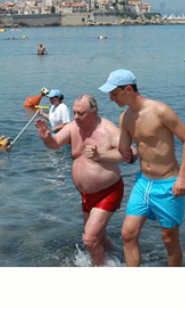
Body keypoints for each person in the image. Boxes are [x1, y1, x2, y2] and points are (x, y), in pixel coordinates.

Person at [99, 69, 185, 267]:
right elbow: (125, 151)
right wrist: (122, 152)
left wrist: (183, 178)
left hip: (169, 184)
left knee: (169, 239)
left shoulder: (160, 111)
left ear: (128, 89)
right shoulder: (125, 117)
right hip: (143, 183)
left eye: (114, 93)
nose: (110, 98)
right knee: (128, 234)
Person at [35, 95, 128, 266]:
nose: (76, 117)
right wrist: (47, 137)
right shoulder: (72, 127)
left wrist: (103, 155)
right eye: (74, 112)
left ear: (94, 112)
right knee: (99, 237)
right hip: (86, 194)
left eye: (81, 113)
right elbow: (55, 144)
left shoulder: (107, 129)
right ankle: (120, 258)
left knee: (90, 239)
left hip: (108, 191)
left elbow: (128, 153)